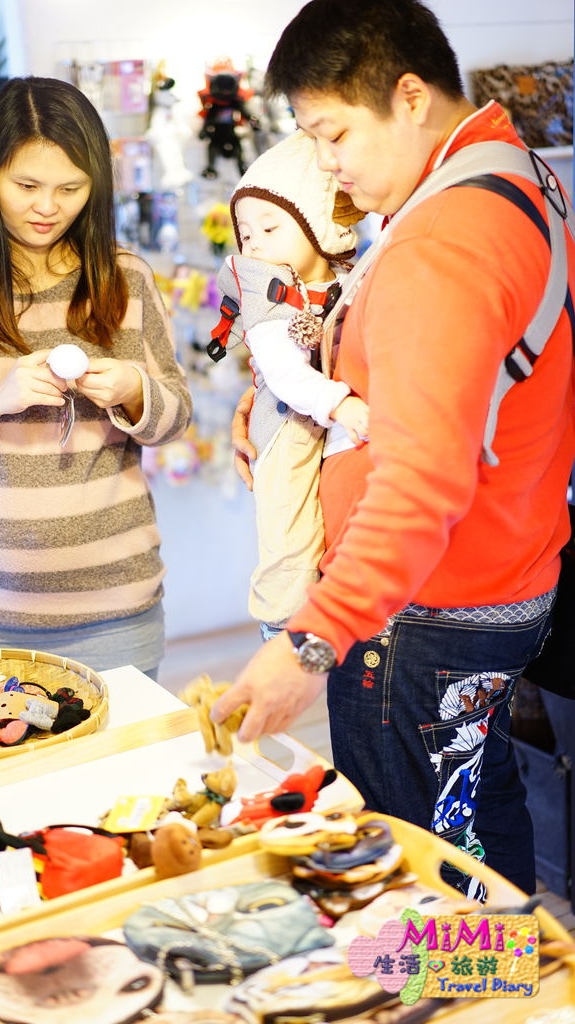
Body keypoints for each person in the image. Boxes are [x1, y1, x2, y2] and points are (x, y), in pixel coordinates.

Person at [211, 0, 575, 896]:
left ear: (409, 97)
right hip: (498, 574)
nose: (326, 165)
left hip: (423, 611)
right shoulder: (513, 171)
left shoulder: (441, 237)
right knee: (468, 831)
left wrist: (311, 640)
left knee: (415, 868)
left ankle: (432, 974)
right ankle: (495, 967)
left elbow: (421, 479)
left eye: (333, 134)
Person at [0, 76, 192, 678]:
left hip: (117, 606)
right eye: (26, 186)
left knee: (125, 745)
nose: (48, 208)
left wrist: (135, 392)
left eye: (70, 188)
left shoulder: (125, 279)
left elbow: (176, 415)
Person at [214, 129, 368, 635]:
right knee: (288, 530)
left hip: (321, 423)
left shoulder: (348, 281)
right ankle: (281, 625)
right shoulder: (268, 299)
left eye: (269, 227)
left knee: (320, 527)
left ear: (317, 229)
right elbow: (283, 374)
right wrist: (340, 405)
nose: (254, 242)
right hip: (284, 426)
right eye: (245, 233)